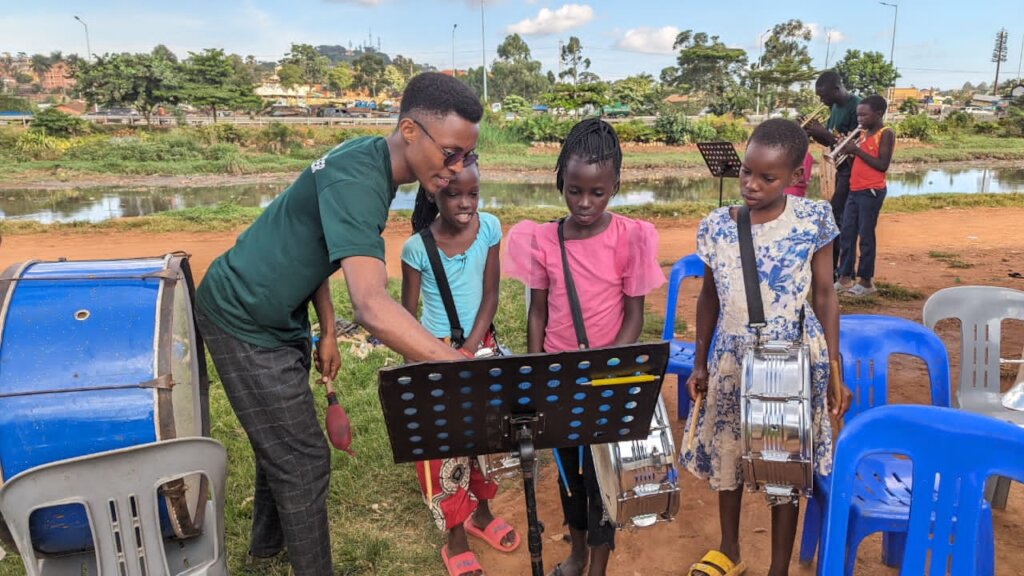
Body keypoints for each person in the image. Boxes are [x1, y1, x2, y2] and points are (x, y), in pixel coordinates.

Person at [194, 72, 482, 576]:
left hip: (283, 314)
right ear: (410, 131)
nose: (457, 167)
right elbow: (371, 305)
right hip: (241, 315)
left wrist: (327, 329)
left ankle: (265, 550)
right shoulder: (359, 179)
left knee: (281, 440)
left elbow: (320, 247)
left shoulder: (370, 159)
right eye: (451, 153)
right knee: (304, 462)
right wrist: (460, 367)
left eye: (467, 156)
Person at [682, 119, 852, 576]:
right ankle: (729, 549)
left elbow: (824, 296)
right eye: (746, 172)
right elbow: (709, 297)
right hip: (731, 358)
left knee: (783, 465)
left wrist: (833, 370)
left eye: (767, 177)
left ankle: (779, 567)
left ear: (795, 176)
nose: (751, 185)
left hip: (788, 362)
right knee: (729, 452)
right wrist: (699, 363)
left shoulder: (813, 220)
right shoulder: (717, 226)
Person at [504, 118, 665, 576]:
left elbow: (633, 317)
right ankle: (576, 553)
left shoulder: (630, 237)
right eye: (574, 191)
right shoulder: (543, 240)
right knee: (568, 473)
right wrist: (537, 374)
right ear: (561, 182)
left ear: (615, 186)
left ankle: (597, 565)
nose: (585, 203)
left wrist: (606, 369)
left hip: (606, 381)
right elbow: (538, 313)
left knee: (602, 478)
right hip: (559, 381)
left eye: (598, 192)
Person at [400, 158, 520, 576]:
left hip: (480, 348)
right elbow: (406, 317)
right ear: (434, 193)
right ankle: (455, 538)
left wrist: (470, 350)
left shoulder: (489, 228)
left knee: (487, 437)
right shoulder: (417, 248)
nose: (466, 203)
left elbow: (491, 295)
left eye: (473, 193)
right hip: (435, 355)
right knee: (444, 449)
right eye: (454, 195)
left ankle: (481, 514)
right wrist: (421, 367)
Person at [834, 95, 894, 296]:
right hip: (855, 188)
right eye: (858, 115)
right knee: (847, 233)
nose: (859, 119)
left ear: (878, 114)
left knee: (866, 236)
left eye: (863, 115)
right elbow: (856, 164)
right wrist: (849, 153)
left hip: (871, 191)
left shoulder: (885, 133)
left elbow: (882, 165)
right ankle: (844, 277)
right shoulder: (862, 134)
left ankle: (866, 282)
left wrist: (857, 151)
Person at [804, 70, 861, 276]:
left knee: (839, 218)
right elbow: (830, 142)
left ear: (837, 89)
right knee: (838, 217)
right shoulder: (835, 107)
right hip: (841, 169)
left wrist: (824, 134)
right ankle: (837, 268)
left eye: (824, 95)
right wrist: (813, 132)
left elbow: (853, 144)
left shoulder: (857, 107)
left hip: (854, 170)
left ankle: (839, 269)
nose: (822, 100)